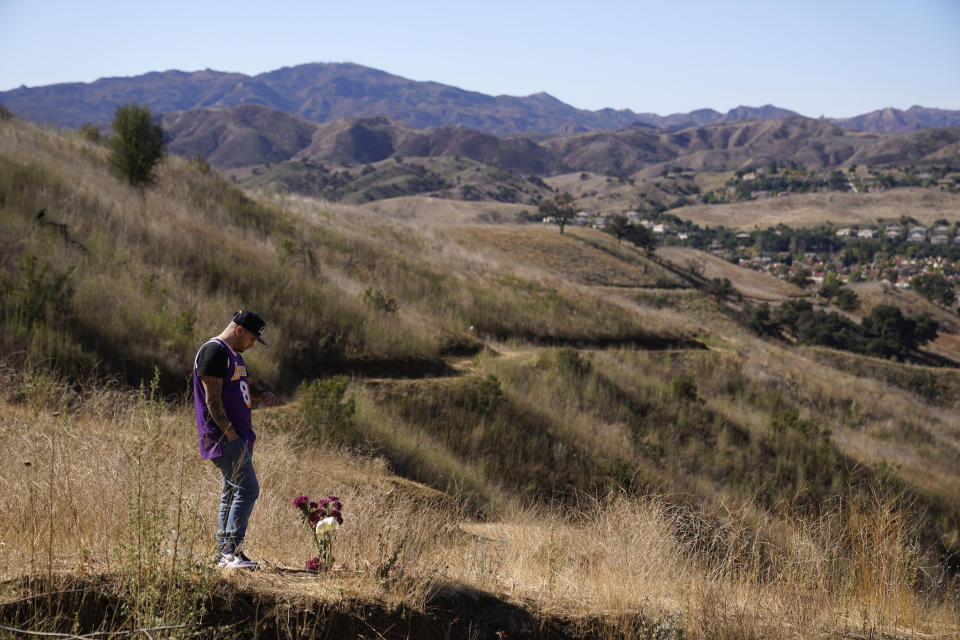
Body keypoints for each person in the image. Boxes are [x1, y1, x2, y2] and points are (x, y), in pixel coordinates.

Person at [193, 310, 278, 569]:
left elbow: (245, 382)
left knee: (231, 493)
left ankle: (222, 554)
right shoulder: (214, 351)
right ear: (239, 330)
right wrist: (230, 435)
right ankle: (231, 552)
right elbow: (212, 400)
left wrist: (262, 392)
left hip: (237, 437)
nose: (252, 345)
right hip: (225, 437)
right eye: (252, 339)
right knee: (248, 489)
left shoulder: (234, 356)